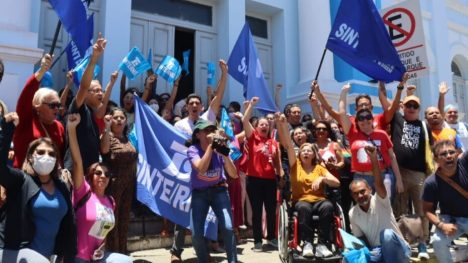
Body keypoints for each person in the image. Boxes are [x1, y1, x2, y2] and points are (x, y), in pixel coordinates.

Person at [0, 112, 76, 262]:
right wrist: (7, 129)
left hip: (49, 258)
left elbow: (69, 224)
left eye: (51, 154)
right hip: (19, 256)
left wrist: (65, 255)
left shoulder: (62, 186)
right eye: (40, 152)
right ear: (30, 157)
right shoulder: (20, 181)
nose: (46, 156)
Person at [68, 113, 132, 263]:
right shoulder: (83, 192)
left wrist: (102, 248)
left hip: (97, 258)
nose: (103, 176)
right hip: (79, 257)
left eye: (107, 174)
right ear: (90, 177)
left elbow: (101, 234)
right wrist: (71, 129)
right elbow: (77, 162)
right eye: (97, 173)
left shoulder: (110, 201)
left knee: (126, 261)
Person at [276, 113, 340, 257]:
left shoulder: (320, 168)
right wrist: (284, 125)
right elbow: (289, 146)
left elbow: (336, 183)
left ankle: (323, 244)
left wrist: (323, 179)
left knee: (328, 206)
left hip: (319, 200)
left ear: (313, 154)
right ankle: (307, 243)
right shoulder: (295, 166)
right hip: (301, 200)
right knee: (304, 208)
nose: (305, 152)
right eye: (303, 150)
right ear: (300, 155)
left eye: (308, 150)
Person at [348, 145, 411, 263]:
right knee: (350, 256)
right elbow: (361, 240)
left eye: (363, 191)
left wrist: (374, 159)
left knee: (386, 235)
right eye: (356, 194)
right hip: (377, 251)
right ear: (353, 196)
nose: (360, 196)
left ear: (370, 190)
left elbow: (379, 184)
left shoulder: (380, 200)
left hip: (399, 249)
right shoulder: (352, 213)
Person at [187, 119, 238, 263]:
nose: (210, 133)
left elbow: (233, 174)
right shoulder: (193, 150)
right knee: (196, 233)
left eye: (212, 130)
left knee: (228, 228)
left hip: (219, 191)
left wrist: (224, 153)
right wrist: (211, 147)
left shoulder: (220, 148)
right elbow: (201, 168)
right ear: (198, 135)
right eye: (206, 131)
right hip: (200, 194)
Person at [338, 84, 403, 193]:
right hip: (361, 179)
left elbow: (392, 157)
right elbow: (342, 112)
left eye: (368, 117)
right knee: (365, 209)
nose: (365, 120)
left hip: (383, 176)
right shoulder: (352, 132)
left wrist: (399, 179)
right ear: (356, 121)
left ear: (373, 119)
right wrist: (343, 93)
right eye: (361, 118)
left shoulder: (382, 134)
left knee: (385, 208)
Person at [390, 94, 432, 257]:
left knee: (421, 210)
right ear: (403, 107)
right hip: (399, 172)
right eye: (409, 106)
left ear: (419, 109)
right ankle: (405, 243)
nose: (412, 109)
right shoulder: (398, 119)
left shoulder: (424, 125)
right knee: (401, 210)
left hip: (419, 174)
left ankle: (422, 243)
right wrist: (401, 87)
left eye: (415, 106)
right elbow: (389, 103)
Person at [242, 97, 283, 252]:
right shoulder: (252, 138)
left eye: (266, 124)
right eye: (261, 124)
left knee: (271, 211)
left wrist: (280, 176)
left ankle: (271, 238)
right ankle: (258, 241)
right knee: (257, 211)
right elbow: (245, 120)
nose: (264, 126)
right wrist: (251, 106)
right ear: (256, 127)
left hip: (270, 181)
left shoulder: (273, 142)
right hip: (253, 180)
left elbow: (278, 162)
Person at [13, 54, 65, 168]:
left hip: (50, 181)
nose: (56, 108)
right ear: (37, 106)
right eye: (52, 105)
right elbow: (26, 94)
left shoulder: (59, 127)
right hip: (26, 179)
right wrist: (41, 71)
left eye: (58, 105)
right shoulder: (26, 121)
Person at [422, 140, 468, 263]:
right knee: (438, 241)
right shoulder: (431, 183)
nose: (448, 156)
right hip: (450, 220)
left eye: (451, 152)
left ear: (457, 154)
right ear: (436, 159)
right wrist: (441, 225)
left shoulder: (465, 163)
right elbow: (427, 210)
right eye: (443, 154)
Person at [100, 108, 138, 254]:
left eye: (122, 117)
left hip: (129, 185)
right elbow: (104, 151)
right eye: (116, 117)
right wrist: (106, 128)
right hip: (114, 184)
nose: (119, 120)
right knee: (112, 220)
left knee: (124, 219)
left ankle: (122, 252)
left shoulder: (128, 138)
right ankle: (112, 253)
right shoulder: (107, 136)